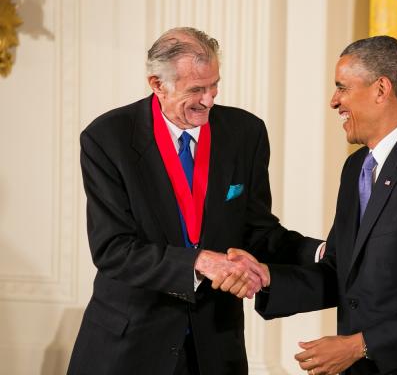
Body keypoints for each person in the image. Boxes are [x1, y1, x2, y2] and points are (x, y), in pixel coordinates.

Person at [67, 27, 322, 375]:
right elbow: (113, 249)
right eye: (196, 90)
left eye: (214, 85)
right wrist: (199, 262)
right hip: (130, 345)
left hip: (215, 346)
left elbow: (257, 230)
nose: (209, 100)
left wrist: (320, 252)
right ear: (157, 84)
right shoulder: (107, 138)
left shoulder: (246, 133)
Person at [248, 36, 397, 374]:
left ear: (381, 89)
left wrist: (359, 345)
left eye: (342, 88)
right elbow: (341, 272)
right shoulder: (356, 168)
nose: (334, 101)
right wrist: (266, 279)